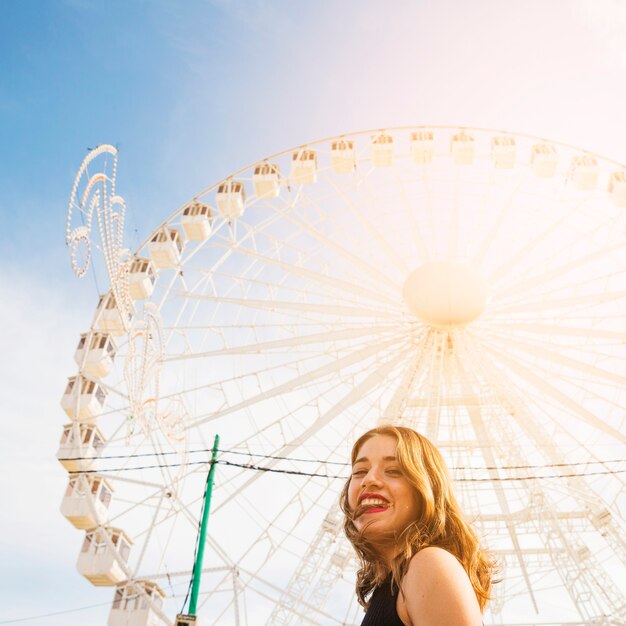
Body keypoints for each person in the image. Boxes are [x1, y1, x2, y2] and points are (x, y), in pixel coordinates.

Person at [340, 425, 496, 626]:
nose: (369, 480)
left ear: (426, 489)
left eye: (393, 471)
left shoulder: (429, 564)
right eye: (360, 471)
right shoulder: (391, 588)